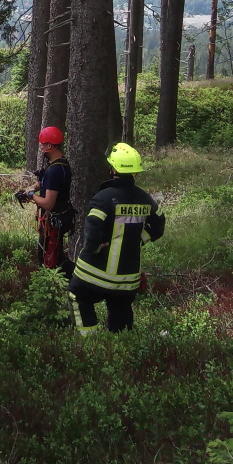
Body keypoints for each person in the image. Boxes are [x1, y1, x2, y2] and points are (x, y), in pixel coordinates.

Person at [68, 142, 166, 335]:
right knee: (121, 311)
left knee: (77, 296)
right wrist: (139, 240)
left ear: (112, 168)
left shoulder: (102, 199)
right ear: (134, 173)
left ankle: (89, 342)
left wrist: (94, 248)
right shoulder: (146, 200)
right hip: (127, 279)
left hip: (94, 274)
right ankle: (120, 344)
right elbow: (158, 226)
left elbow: (93, 231)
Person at [21, 125, 74, 271]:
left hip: (53, 222)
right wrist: (31, 189)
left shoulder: (55, 171)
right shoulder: (59, 164)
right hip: (58, 219)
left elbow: (48, 203)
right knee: (54, 255)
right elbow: (43, 183)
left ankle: (58, 282)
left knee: (48, 259)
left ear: (50, 145)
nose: (42, 148)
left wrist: (31, 196)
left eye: (43, 145)